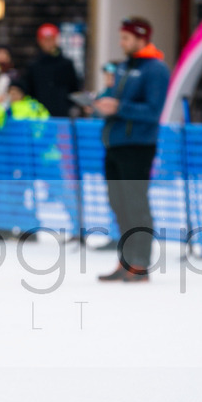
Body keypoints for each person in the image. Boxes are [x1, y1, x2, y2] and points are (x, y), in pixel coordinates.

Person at [93, 17, 170, 282]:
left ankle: (141, 262)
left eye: (126, 38)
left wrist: (119, 107)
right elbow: (115, 97)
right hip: (115, 143)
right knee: (119, 204)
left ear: (141, 38)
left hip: (138, 146)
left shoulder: (156, 69)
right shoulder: (124, 66)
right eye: (121, 37)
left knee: (136, 204)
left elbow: (153, 110)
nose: (121, 42)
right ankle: (125, 259)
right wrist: (100, 103)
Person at [25, 23, 81, 117]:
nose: (48, 43)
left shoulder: (66, 64)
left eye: (51, 39)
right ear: (39, 41)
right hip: (39, 114)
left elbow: (74, 88)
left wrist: (70, 107)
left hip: (62, 114)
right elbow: (29, 90)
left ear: (56, 40)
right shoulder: (33, 65)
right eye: (45, 40)